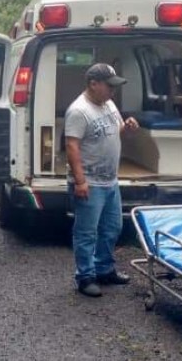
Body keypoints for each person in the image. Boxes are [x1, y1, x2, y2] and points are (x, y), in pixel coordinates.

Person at [65, 63, 140, 297]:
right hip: (90, 181)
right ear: (93, 84)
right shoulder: (79, 110)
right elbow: (72, 145)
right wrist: (80, 181)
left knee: (112, 227)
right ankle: (85, 276)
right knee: (87, 232)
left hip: (110, 181)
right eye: (109, 86)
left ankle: (104, 268)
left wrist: (128, 128)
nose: (113, 91)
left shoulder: (108, 103)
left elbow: (114, 131)